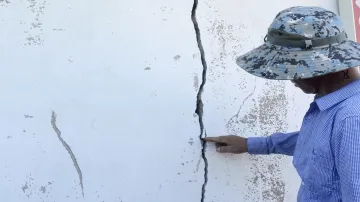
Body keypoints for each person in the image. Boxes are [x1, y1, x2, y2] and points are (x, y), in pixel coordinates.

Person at [203, 6, 360, 202]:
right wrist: (253, 144)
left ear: (328, 67)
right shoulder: (334, 106)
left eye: (293, 69)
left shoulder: (352, 118)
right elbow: (320, 146)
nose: (289, 78)